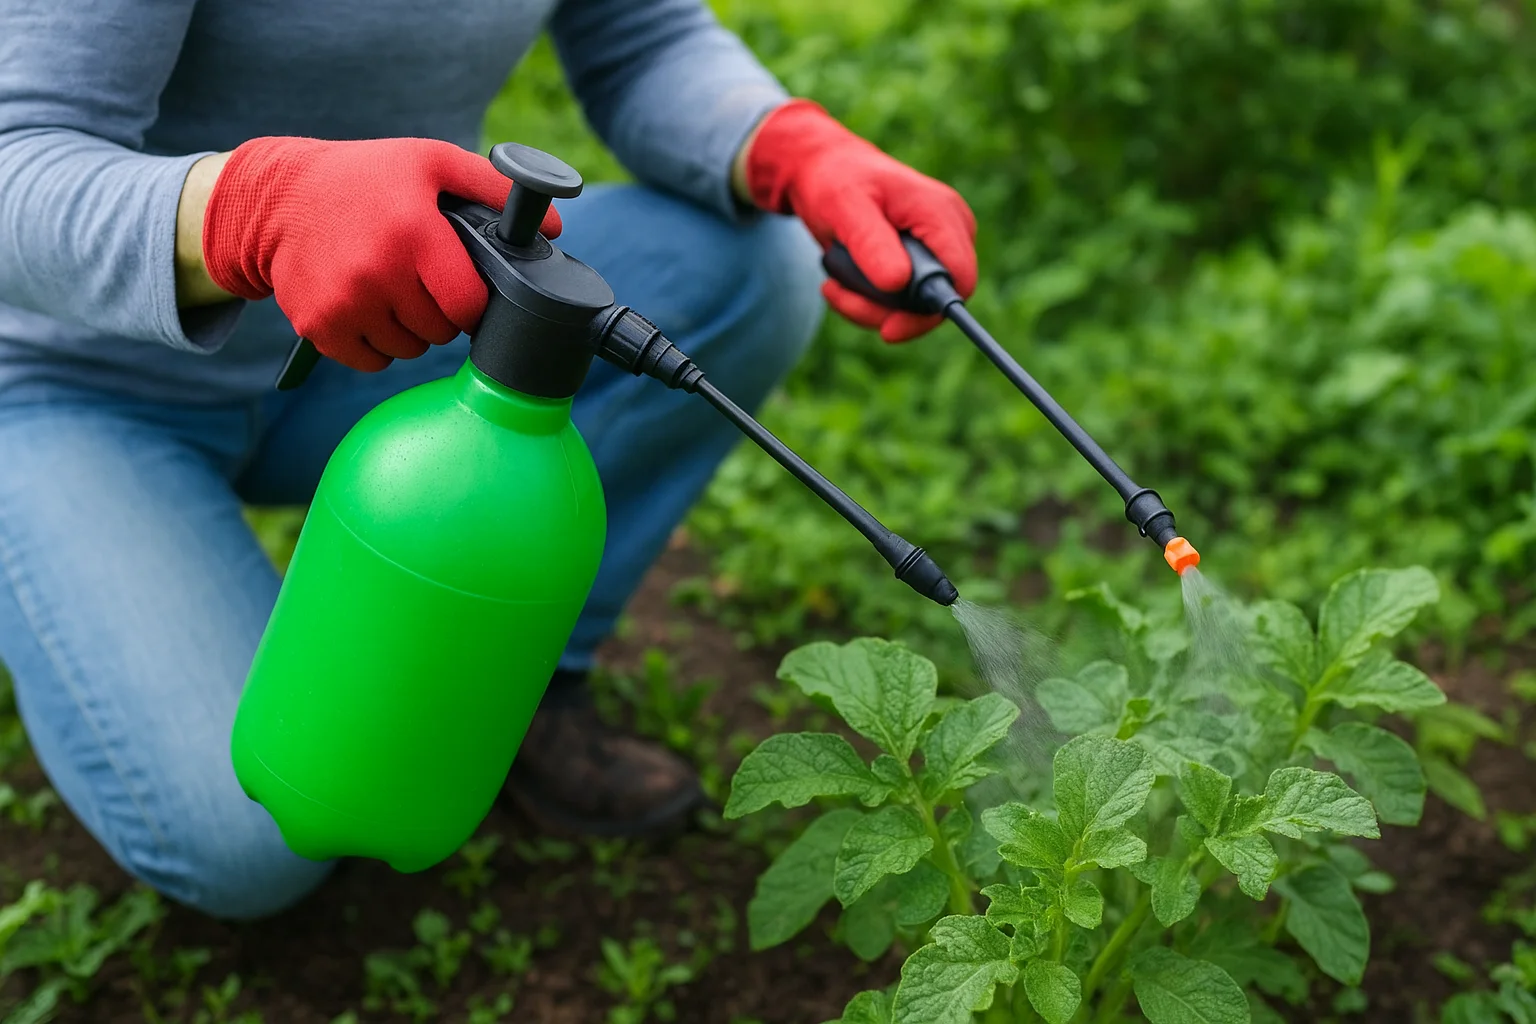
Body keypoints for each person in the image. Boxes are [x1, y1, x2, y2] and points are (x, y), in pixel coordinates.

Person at [0, 0, 977, 920]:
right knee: (253, 832)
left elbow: (639, 37)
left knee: (748, 275)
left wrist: (789, 144)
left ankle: (530, 684)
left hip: (389, 324)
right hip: (77, 384)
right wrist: (246, 210)